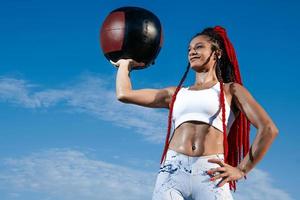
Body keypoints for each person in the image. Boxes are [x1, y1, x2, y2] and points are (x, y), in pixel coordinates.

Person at [111, 26, 278, 200]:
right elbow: (125, 94)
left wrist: (241, 169)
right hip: (172, 171)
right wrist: (124, 64)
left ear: (217, 53)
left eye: (199, 47)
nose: (192, 52)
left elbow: (268, 129)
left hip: (211, 173)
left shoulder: (231, 91)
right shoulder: (174, 94)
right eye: (189, 49)